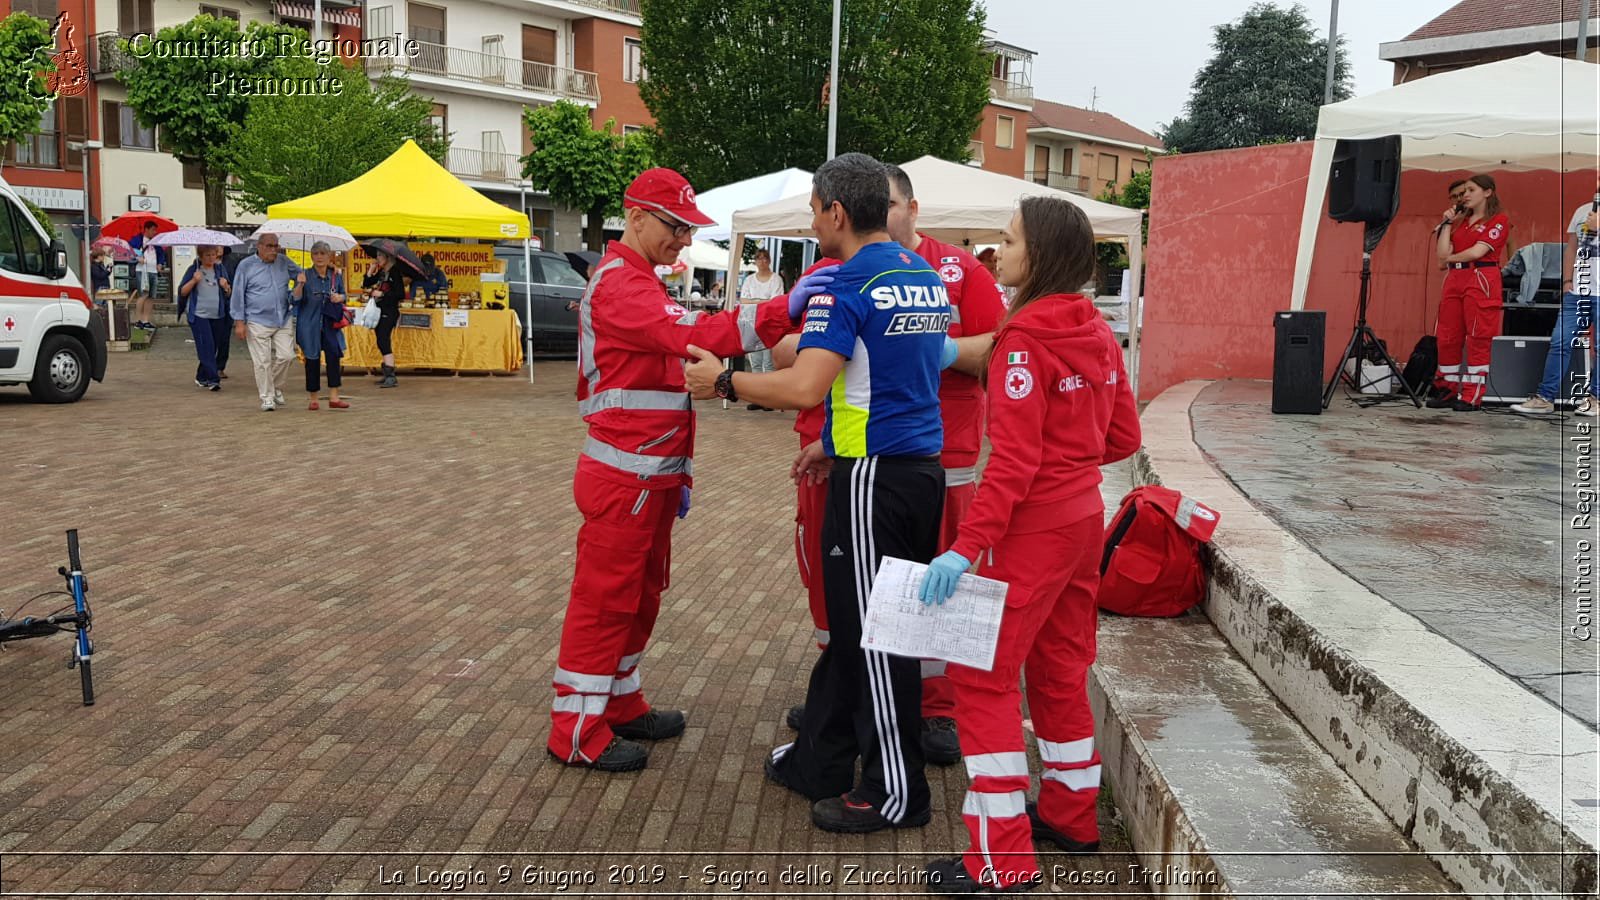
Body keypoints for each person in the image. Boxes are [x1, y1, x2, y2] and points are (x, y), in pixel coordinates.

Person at [684, 152, 952, 834]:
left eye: (813, 210)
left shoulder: (848, 283)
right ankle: (823, 759)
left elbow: (803, 386)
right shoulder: (921, 273)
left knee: (875, 638)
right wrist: (831, 443)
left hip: (874, 481)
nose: (812, 221)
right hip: (916, 469)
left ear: (836, 212)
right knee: (866, 629)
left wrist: (723, 381)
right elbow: (891, 382)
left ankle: (897, 792)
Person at [916, 196, 1141, 895]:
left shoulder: (1021, 340)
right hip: (1082, 521)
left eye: (1009, 242)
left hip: (1033, 529)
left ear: (1037, 255)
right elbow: (1124, 439)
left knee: (981, 680)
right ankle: (1072, 812)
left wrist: (963, 547)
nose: (999, 252)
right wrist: (1073, 458)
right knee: (1059, 668)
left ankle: (1001, 860)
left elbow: (1011, 465)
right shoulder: (1096, 330)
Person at [546, 167, 794, 773]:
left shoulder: (637, 281)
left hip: (647, 474)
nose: (684, 240)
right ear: (635, 217)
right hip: (625, 477)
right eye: (676, 226)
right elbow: (701, 334)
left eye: (688, 230)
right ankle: (576, 728)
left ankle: (620, 700)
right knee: (606, 601)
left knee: (640, 594)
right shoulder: (620, 287)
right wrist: (790, 306)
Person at [781, 164, 1007, 767]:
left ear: (911, 208)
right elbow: (796, 352)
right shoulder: (841, 268)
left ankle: (929, 714)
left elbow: (1003, 343)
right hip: (843, 450)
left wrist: (944, 350)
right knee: (845, 592)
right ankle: (846, 700)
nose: (886, 213)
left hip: (930, 455)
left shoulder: (951, 270)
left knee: (920, 589)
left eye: (894, 204)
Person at [1511, 186, 1600, 417]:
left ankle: (1595, 399)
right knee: (1560, 342)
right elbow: (1571, 248)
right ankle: (1545, 398)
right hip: (1578, 291)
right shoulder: (1583, 211)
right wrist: (1568, 280)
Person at [1428, 174, 1511, 411]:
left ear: (1488, 192)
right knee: (1448, 336)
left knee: (1477, 336)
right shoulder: (1460, 222)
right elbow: (1441, 257)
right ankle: (1447, 389)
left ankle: (1472, 395)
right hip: (1456, 278)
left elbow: (1476, 252)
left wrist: (1449, 258)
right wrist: (1446, 224)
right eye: (1463, 192)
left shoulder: (1499, 220)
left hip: (1480, 278)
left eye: (1470, 190)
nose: (1465, 195)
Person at [230, 233, 305, 412]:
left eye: (276, 246)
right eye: (269, 246)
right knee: (262, 361)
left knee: (287, 356)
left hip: (282, 317)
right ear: (259, 246)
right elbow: (238, 294)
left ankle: (274, 386)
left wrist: (304, 278)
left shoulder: (284, 261)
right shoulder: (246, 266)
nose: (274, 250)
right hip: (256, 319)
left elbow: (302, 273)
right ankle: (267, 397)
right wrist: (239, 322)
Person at [296, 241, 350, 411]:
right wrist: (300, 285)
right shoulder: (304, 275)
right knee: (312, 359)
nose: (319, 257)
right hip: (309, 323)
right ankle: (313, 398)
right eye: (316, 253)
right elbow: (294, 299)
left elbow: (344, 295)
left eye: (323, 253)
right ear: (311, 256)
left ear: (329, 256)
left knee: (333, 357)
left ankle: (334, 396)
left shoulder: (336, 275)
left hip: (329, 323)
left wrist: (339, 298)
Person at [177, 245, 232, 391]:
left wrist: (226, 287)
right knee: (205, 345)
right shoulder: (194, 270)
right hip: (199, 315)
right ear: (201, 256)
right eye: (207, 255)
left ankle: (201, 376)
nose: (211, 258)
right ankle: (214, 379)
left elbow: (228, 293)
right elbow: (182, 292)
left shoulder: (220, 270)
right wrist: (194, 281)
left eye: (213, 255)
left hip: (218, 315)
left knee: (213, 346)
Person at [741, 248, 786, 407]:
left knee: (768, 362)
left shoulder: (776, 279)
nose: (762, 261)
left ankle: (769, 398)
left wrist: (755, 301)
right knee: (755, 362)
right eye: (759, 258)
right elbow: (744, 301)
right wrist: (762, 301)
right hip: (752, 324)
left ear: (769, 260)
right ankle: (757, 397)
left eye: (765, 258)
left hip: (769, 324)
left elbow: (775, 302)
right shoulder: (749, 280)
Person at [362, 248, 408, 388]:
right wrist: (371, 270)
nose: (378, 258)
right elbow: (366, 283)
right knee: (380, 340)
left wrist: (382, 295)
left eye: (380, 255)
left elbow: (400, 294)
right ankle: (387, 371)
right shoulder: (382, 272)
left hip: (389, 311)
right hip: (379, 311)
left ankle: (391, 375)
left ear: (388, 257)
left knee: (383, 340)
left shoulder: (394, 273)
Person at [128, 221, 166, 332]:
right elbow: (129, 252)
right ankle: (138, 320)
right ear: (146, 229)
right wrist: (136, 258)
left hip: (153, 270)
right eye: (153, 230)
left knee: (151, 296)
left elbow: (161, 254)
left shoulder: (156, 242)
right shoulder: (137, 240)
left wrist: (160, 263)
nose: (155, 232)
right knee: (143, 294)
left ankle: (146, 320)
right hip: (142, 270)